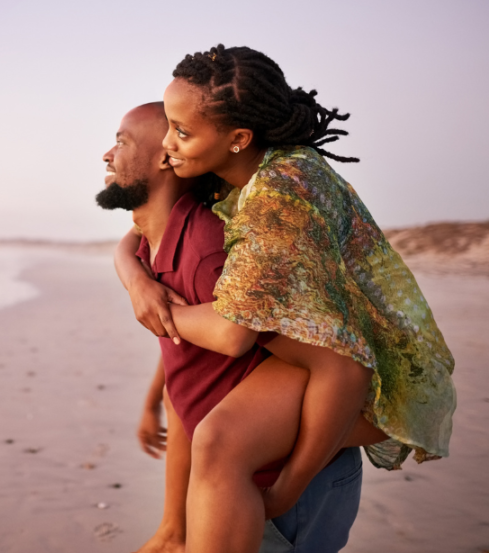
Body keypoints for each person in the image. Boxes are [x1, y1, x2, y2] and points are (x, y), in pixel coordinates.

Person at [118, 45, 457, 553]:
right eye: (168, 125)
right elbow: (136, 234)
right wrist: (135, 277)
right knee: (218, 436)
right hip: (328, 358)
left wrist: (289, 485)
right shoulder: (238, 172)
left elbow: (290, 350)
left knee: (220, 441)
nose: (166, 145)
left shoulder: (278, 200)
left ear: (238, 138)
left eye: (181, 132)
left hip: (380, 368)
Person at [98, 103, 380, 553]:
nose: (107, 155)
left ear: (166, 158)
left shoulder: (210, 252)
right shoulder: (153, 243)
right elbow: (189, 365)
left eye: (122, 141)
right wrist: (156, 395)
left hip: (282, 492)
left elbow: (333, 361)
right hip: (237, 481)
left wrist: (290, 485)